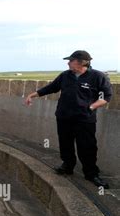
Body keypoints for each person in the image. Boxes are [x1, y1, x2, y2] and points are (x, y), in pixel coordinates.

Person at [24, 50, 112, 189]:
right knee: (65, 143)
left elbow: (105, 97)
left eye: (71, 61)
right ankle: (67, 166)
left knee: (87, 147)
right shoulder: (65, 75)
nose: (68, 63)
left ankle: (91, 174)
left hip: (84, 119)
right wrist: (32, 95)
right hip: (64, 116)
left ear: (81, 62)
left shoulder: (97, 77)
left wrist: (90, 107)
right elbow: (51, 88)